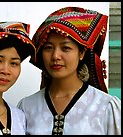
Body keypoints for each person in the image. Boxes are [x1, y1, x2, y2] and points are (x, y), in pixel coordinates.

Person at [17, 7, 121, 135]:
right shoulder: (27, 107)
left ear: (81, 53)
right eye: (48, 48)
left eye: (65, 48)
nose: (55, 56)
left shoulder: (106, 106)